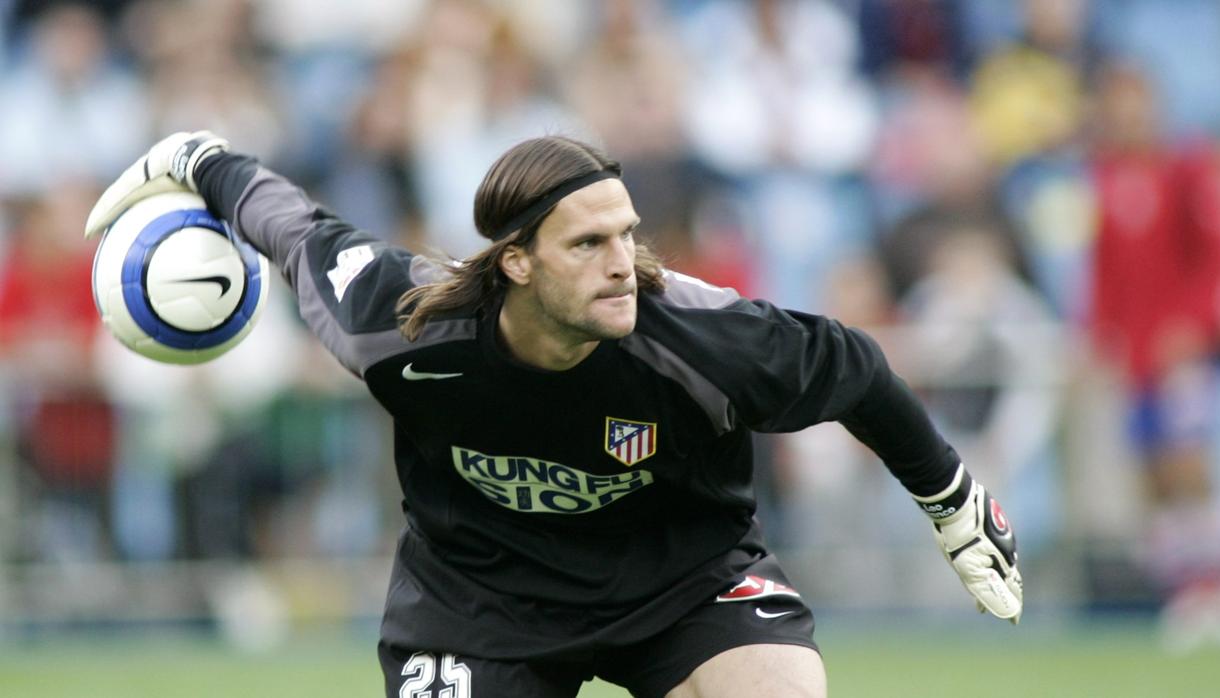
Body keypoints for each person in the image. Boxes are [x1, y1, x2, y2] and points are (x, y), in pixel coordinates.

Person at [85, 132, 1023, 697]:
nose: (623, 260)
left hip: (683, 585)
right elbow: (290, 230)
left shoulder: (700, 336)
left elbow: (857, 370)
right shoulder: (397, 323)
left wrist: (950, 497)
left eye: (628, 233)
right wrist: (195, 159)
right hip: (478, 603)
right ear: (518, 262)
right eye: (588, 242)